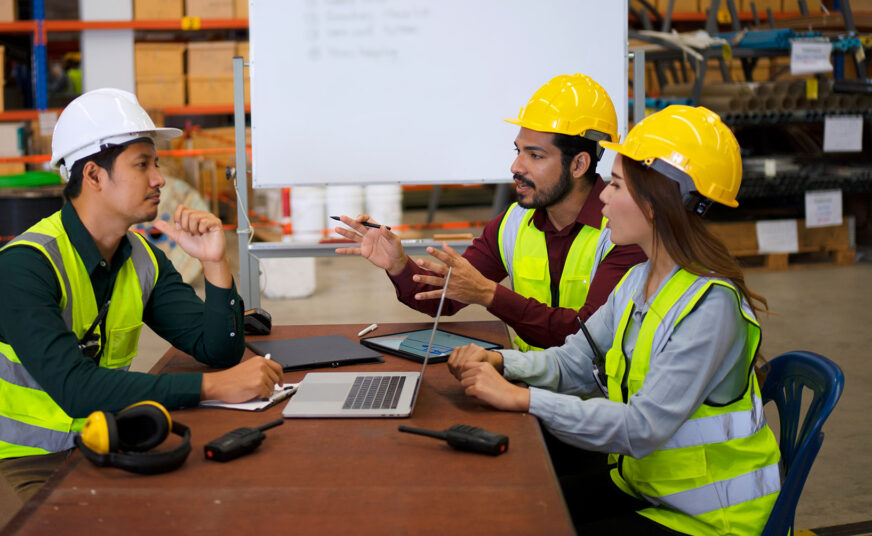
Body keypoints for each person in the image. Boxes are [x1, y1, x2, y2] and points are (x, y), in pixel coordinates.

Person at [0, 88, 283, 536]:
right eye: (143, 164)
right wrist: (214, 387)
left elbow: (217, 348)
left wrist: (215, 263)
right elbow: (76, 389)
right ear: (94, 175)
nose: (159, 178)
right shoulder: (22, 269)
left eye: (155, 164)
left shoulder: (141, 257)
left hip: (90, 447)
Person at [447, 105, 781, 535]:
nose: (602, 195)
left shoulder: (708, 307)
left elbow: (642, 429)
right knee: (515, 508)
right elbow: (575, 362)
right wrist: (502, 364)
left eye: (617, 185)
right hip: (646, 484)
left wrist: (522, 399)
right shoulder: (641, 279)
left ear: (657, 201)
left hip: (709, 516)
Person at [334, 74, 646, 353]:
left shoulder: (624, 232)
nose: (516, 167)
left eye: (535, 155)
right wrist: (399, 265)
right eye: (518, 151)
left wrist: (488, 294)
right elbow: (445, 297)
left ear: (579, 164)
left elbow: (586, 336)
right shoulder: (512, 224)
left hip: (599, 405)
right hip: (530, 384)